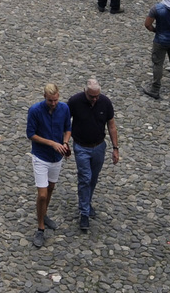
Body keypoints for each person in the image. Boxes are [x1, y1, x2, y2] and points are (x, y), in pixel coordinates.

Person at [67, 79, 120, 232]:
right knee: (85, 178)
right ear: (85, 92)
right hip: (81, 146)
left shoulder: (105, 102)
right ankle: (84, 212)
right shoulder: (75, 101)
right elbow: (65, 121)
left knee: (93, 178)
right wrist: (65, 141)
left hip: (99, 146)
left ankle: (86, 202)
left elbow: (111, 125)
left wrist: (115, 148)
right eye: (91, 97)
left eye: (97, 96)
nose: (95, 99)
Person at [25, 83, 71, 248]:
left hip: (56, 158)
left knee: (51, 188)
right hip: (41, 157)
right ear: (44, 97)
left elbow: (67, 128)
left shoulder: (64, 109)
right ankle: (40, 228)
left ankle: (43, 214)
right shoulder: (35, 110)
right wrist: (51, 143)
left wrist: (64, 143)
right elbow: (31, 134)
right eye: (51, 100)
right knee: (42, 194)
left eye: (56, 100)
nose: (53, 103)